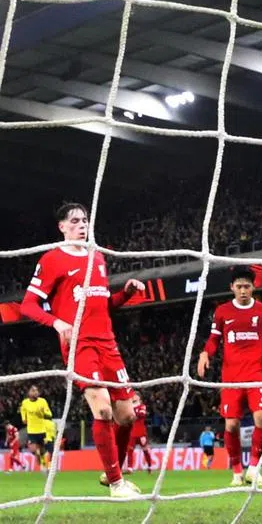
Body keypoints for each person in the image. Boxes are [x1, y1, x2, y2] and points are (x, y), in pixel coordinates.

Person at [19, 203, 143, 497]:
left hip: (108, 343)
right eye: (74, 221)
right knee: (102, 409)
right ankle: (116, 484)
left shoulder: (97, 257)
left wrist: (125, 293)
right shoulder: (52, 259)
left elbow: (104, 306)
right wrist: (57, 323)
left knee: (127, 416)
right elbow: (27, 304)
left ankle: (111, 472)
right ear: (61, 227)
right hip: (80, 345)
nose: (81, 225)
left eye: (85, 220)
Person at [197, 267, 262, 487]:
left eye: (247, 286)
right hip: (231, 378)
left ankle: (254, 469)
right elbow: (213, 340)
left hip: (257, 373)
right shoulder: (222, 312)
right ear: (232, 288)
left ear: (253, 287)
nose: (243, 291)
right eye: (239, 286)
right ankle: (237, 472)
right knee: (231, 426)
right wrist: (204, 353)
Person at [20, 385, 52, 469]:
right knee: (34, 450)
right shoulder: (25, 403)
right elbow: (23, 412)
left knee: (43, 451)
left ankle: (46, 465)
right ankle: (42, 465)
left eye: (37, 390)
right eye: (33, 390)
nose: (36, 392)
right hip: (31, 431)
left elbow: (49, 414)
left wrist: (42, 414)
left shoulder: (42, 401)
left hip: (43, 430)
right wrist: (24, 418)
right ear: (29, 393)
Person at [123, 395, 155, 474]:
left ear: (139, 398)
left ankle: (150, 466)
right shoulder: (129, 406)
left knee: (145, 450)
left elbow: (141, 415)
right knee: (130, 450)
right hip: (132, 432)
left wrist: (133, 414)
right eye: (133, 396)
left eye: (135, 396)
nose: (134, 397)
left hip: (141, 433)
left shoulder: (142, 406)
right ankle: (130, 468)